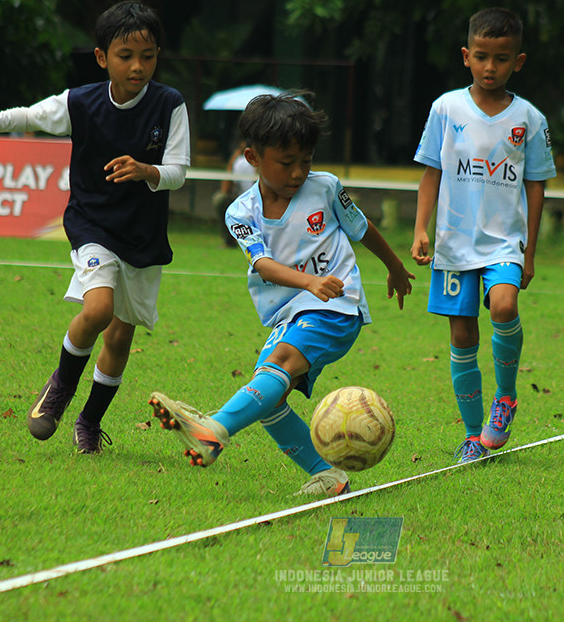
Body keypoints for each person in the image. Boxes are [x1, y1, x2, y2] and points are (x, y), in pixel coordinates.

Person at [148, 92, 414, 496]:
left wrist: (395, 268)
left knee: (281, 363)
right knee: (268, 395)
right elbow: (262, 264)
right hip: (291, 311)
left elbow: (362, 229)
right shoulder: (241, 211)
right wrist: (307, 282)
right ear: (252, 158)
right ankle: (329, 475)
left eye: (305, 161)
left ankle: (213, 430)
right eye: (287, 163)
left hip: (336, 306)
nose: (298, 173)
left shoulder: (326, 188)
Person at [0, 0, 191, 454]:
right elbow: (31, 115)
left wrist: (146, 170)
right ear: (102, 57)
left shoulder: (170, 105)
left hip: (142, 236)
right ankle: (60, 388)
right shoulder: (81, 101)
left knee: (121, 335)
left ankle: (89, 421)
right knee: (98, 310)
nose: (138, 66)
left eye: (148, 56)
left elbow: (179, 171)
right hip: (92, 223)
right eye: (126, 56)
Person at [410, 7, 556, 464]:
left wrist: (529, 252)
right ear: (466, 57)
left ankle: (506, 398)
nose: (491, 67)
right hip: (454, 245)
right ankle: (474, 436)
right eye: (481, 56)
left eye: (502, 58)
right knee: (461, 338)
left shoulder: (529, 119)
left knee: (505, 304)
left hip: (503, 244)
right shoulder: (445, 108)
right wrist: (420, 228)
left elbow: (537, 187)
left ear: (519, 61)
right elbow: (431, 172)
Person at [213, 136, 257, 247]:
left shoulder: (265, 161)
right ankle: (229, 241)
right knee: (220, 199)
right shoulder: (238, 162)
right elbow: (225, 189)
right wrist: (231, 163)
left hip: (259, 200)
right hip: (242, 199)